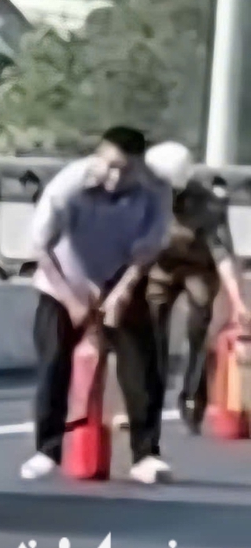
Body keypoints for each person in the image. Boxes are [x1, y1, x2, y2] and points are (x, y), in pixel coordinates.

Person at [21, 125, 174, 485]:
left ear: (140, 166)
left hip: (120, 277)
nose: (116, 176)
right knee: (54, 362)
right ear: (97, 157)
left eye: (126, 168)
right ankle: (47, 450)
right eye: (110, 165)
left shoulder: (156, 189)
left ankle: (145, 454)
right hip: (63, 281)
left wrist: (121, 292)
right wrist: (73, 300)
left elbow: (148, 249)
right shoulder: (68, 187)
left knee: (141, 365)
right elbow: (40, 248)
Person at [143, 140, 247, 432]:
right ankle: (151, 393)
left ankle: (193, 394)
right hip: (160, 267)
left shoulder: (208, 204)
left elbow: (223, 255)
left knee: (198, 331)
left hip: (199, 268)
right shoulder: (141, 196)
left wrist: (238, 302)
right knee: (152, 328)